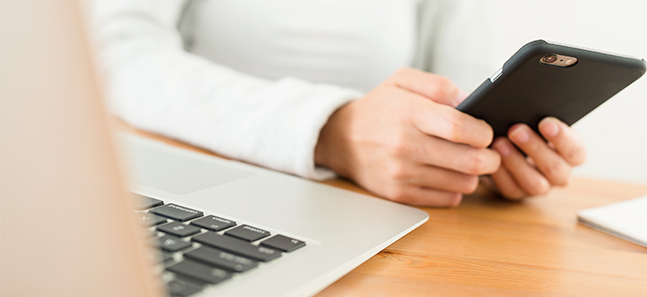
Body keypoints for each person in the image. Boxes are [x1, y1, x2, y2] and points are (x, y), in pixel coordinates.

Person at [89, 0, 586, 207]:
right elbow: (114, 53)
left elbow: (458, 86)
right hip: (200, 195)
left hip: (381, 214)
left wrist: (477, 157)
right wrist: (330, 131)